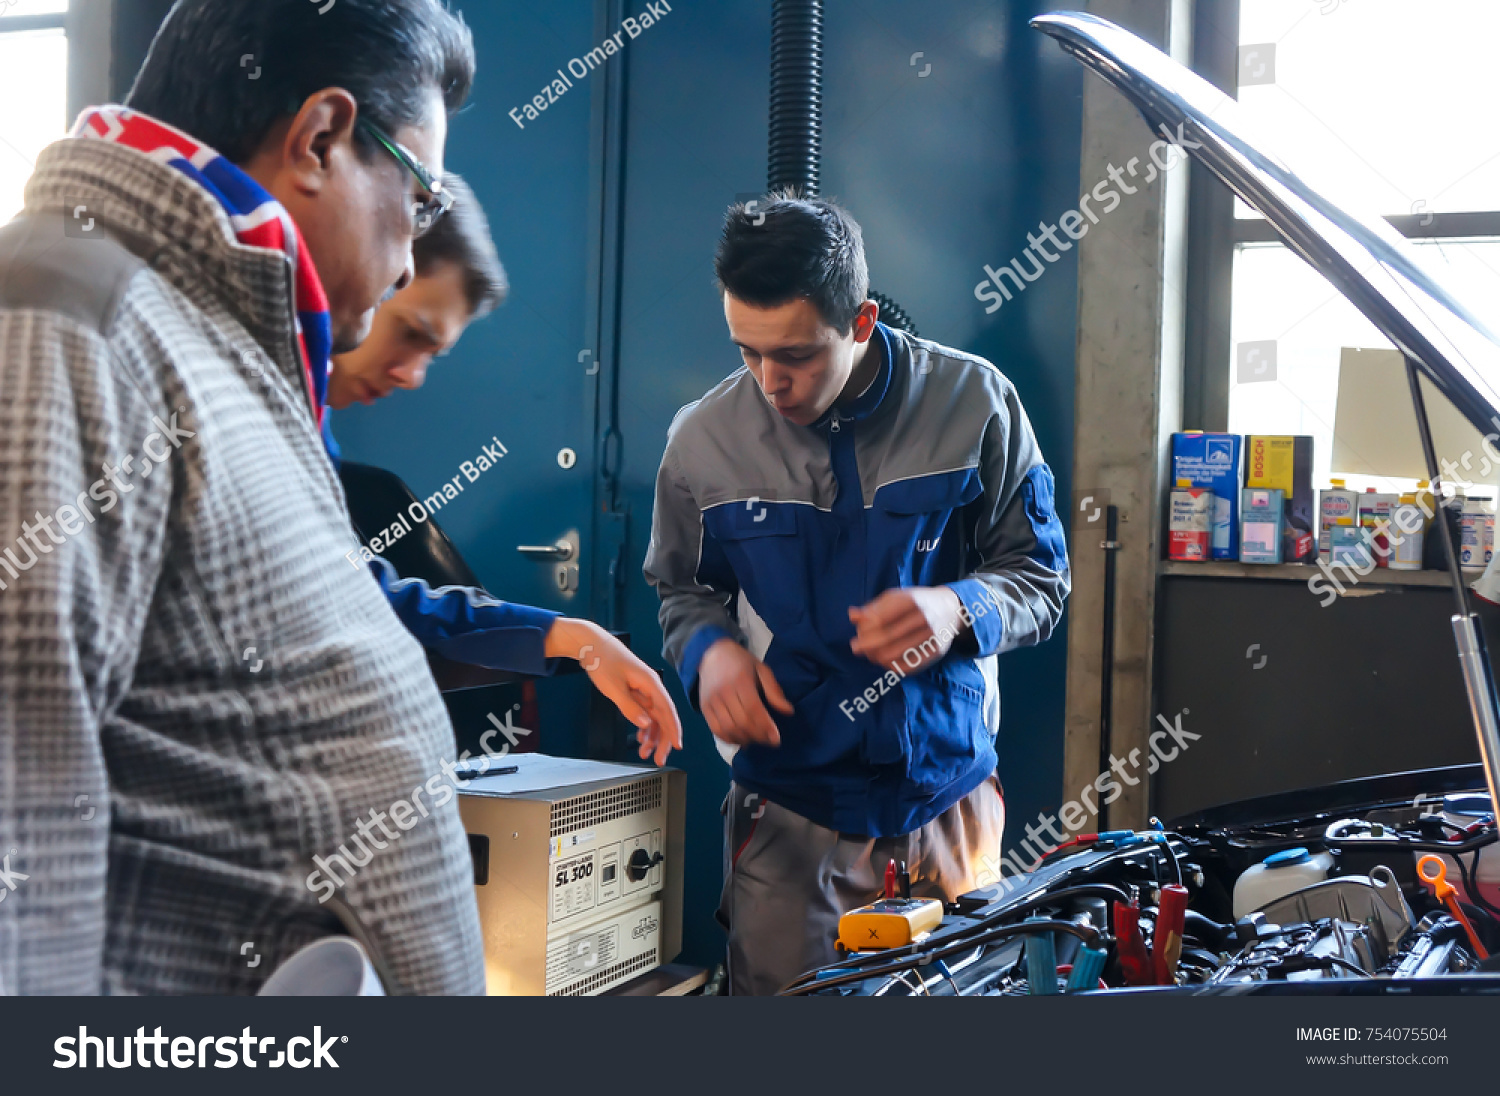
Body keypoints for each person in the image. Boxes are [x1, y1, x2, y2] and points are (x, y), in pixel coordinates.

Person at [0, 0, 647, 996]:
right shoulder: (71, 319)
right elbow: (21, 818)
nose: (404, 265)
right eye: (423, 199)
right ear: (320, 139)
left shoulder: (221, 346)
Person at [643, 192, 1071, 995]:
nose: (771, 382)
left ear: (863, 322)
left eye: (798, 355)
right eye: (747, 352)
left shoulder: (975, 405)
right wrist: (711, 656)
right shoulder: (702, 441)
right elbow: (681, 588)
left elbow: (1041, 581)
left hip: (948, 802)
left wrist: (957, 610)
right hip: (790, 814)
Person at [321, 173, 681, 760]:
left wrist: (578, 638)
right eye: (411, 333)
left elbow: (375, 597)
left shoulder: (309, 424)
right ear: (363, 272)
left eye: (431, 356)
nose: (411, 377)